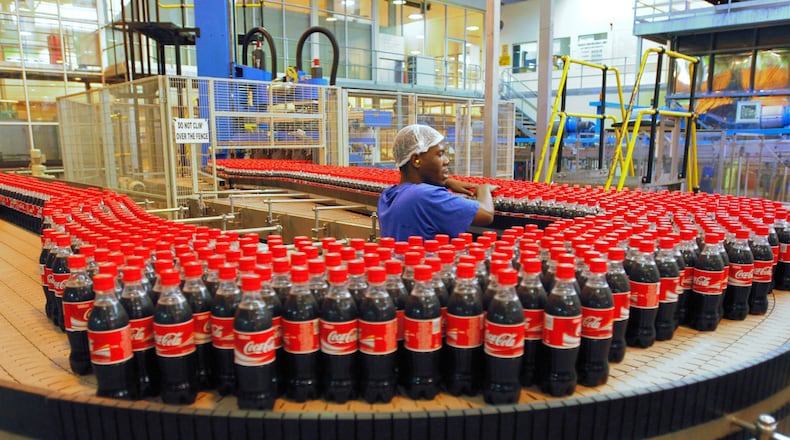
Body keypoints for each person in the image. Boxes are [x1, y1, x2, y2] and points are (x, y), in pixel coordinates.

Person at [377, 124, 498, 241]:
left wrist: (447, 182)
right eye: (440, 154)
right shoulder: (424, 196)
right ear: (416, 160)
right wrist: (483, 188)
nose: (447, 161)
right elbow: (486, 214)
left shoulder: (388, 195)